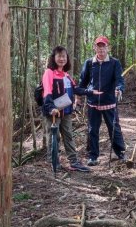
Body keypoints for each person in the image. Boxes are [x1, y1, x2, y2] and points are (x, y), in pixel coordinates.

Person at [77, 35, 126, 167]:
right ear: (94, 48)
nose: (101, 50)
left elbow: (119, 80)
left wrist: (119, 89)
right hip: (93, 102)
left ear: (108, 48)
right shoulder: (89, 63)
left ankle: (120, 152)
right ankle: (93, 156)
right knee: (93, 129)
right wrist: (78, 97)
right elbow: (83, 81)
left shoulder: (115, 62)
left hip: (109, 101)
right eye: (98, 47)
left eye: (103, 47)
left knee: (114, 128)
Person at [42, 45, 90, 173]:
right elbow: (47, 91)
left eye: (64, 56)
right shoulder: (49, 73)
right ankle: (54, 162)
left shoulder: (66, 75)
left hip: (66, 112)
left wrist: (90, 91)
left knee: (68, 136)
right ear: (54, 58)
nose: (62, 59)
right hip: (53, 112)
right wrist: (50, 107)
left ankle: (74, 162)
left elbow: (75, 89)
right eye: (59, 56)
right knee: (54, 137)